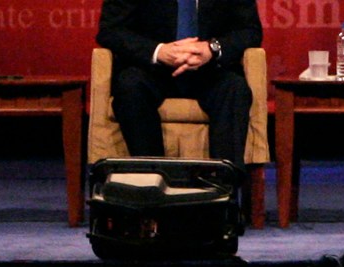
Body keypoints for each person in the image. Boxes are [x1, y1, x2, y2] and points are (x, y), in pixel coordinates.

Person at [96, 0, 263, 167]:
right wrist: (159, 51)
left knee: (235, 88)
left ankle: (224, 183)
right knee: (130, 86)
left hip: (210, 69)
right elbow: (111, 30)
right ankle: (153, 177)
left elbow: (250, 30)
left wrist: (211, 48)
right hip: (152, 68)